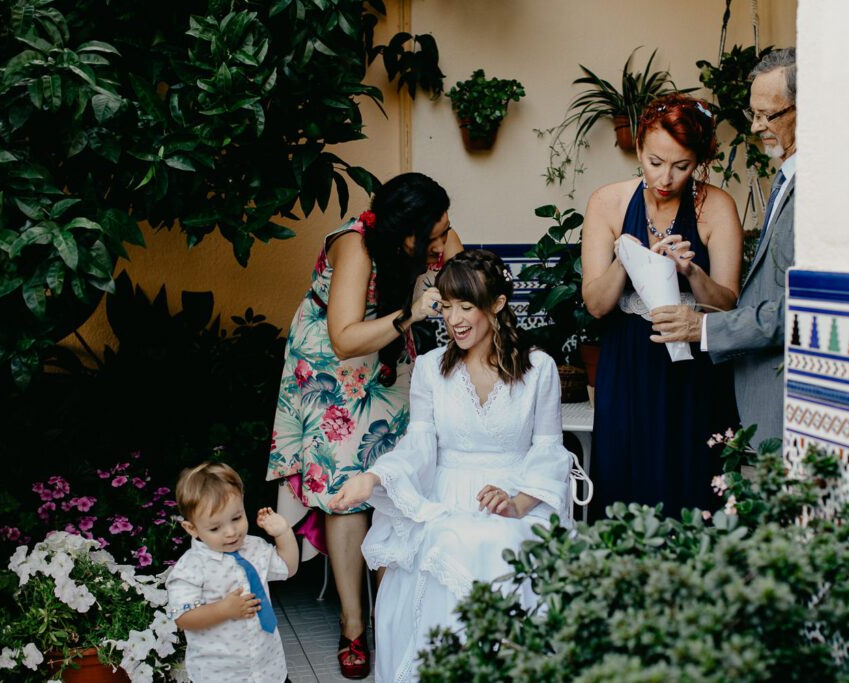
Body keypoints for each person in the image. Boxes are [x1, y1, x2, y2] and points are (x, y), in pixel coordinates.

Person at [329, 249, 573, 683]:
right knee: (441, 542)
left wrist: (518, 502)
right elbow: (419, 444)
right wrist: (374, 477)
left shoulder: (539, 369)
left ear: (497, 304)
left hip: (516, 497)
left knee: (497, 554)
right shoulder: (428, 369)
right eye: (446, 306)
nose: (454, 319)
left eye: (467, 306)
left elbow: (550, 449)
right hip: (444, 497)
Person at [266, 172, 463, 678]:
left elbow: (468, 278)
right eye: (435, 235)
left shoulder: (431, 238)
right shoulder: (354, 246)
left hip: (392, 358)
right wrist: (414, 311)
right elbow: (346, 339)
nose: (442, 242)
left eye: (444, 229)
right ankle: (354, 625)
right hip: (338, 370)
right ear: (405, 233)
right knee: (347, 490)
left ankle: (395, 611)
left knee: (397, 478)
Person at [582, 93, 743, 520]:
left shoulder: (718, 207)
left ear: (699, 160)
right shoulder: (608, 203)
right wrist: (626, 260)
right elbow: (597, 305)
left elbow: (728, 306)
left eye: (682, 165)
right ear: (638, 149)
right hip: (628, 365)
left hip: (695, 372)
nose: (666, 178)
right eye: (655, 162)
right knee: (625, 482)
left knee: (692, 483)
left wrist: (692, 274)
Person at [650, 48, 797, 445]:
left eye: (768, 115)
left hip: (784, 398)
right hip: (754, 392)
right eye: (754, 114)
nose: (756, 127)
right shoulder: (787, 181)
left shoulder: (816, 192)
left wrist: (705, 327)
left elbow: (799, 310)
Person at [166, 462, 299, 683]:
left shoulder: (254, 547)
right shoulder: (191, 567)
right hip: (219, 674)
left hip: (268, 667)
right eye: (215, 528)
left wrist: (283, 533)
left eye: (236, 518)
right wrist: (223, 609)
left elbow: (288, 568)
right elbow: (183, 617)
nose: (230, 532)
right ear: (192, 528)